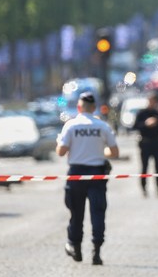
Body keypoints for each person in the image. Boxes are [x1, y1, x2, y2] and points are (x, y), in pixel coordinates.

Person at [56, 92, 119, 266]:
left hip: (76, 173)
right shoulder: (102, 126)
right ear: (94, 108)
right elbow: (114, 152)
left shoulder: (71, 125)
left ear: (79, 107)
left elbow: (61, 152)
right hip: (97, 174)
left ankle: (75, 246)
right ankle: (96, 251)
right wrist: (101, 152)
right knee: (98, 213)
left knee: (76, 213)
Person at [133, 92, 158, 198]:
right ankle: (144, 187)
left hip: (156, 143)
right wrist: (146, 123)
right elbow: (135, 126)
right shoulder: (142, 113)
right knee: (144, 167)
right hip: (145, 143)